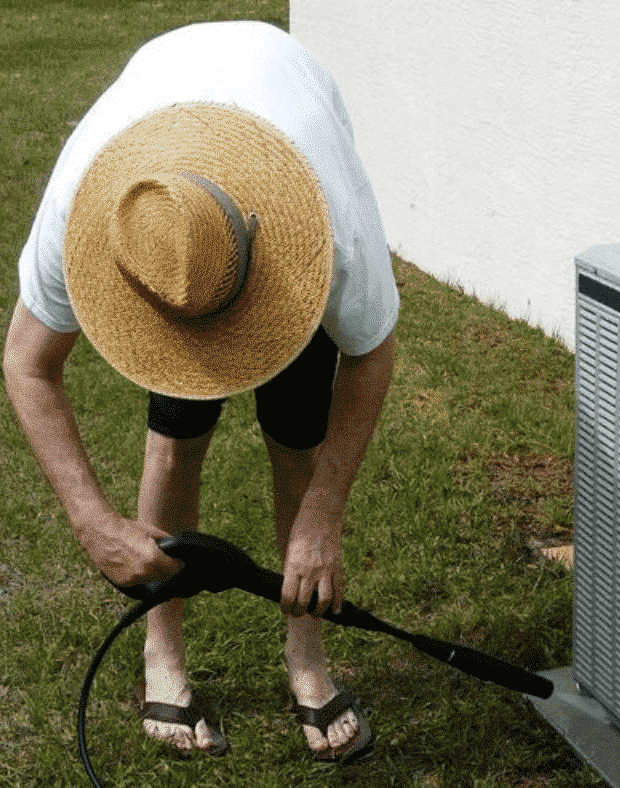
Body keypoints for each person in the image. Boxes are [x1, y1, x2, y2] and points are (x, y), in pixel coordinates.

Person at [2, 21, 398, 764]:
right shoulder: (86, 206)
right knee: (176, 439)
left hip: (285, 133)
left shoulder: (328, 220)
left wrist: (321, 519)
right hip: (168, 113)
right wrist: (92, 521)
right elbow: (26, 363)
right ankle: (163, 655)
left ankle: (307, 659)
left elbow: (372, 355)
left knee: (298, 440)